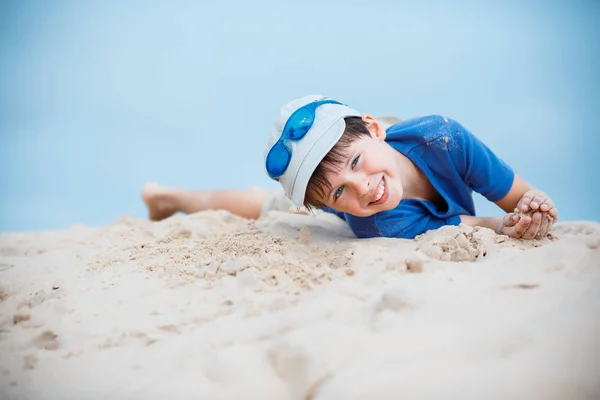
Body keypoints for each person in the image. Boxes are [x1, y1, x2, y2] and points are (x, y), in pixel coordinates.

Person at [142, 95, 558, 240]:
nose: (362, 189)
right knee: (264, 206)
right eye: (340, 192)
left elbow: (516, 195)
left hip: (398, 139)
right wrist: (505, 227)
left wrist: (532, 206)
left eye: (356, 164)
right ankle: (170, 197)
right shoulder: (375, 221)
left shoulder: (443, 138)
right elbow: (470, 224)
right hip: (375, 159)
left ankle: (366, 148)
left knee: (381, 151)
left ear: (373, 129)